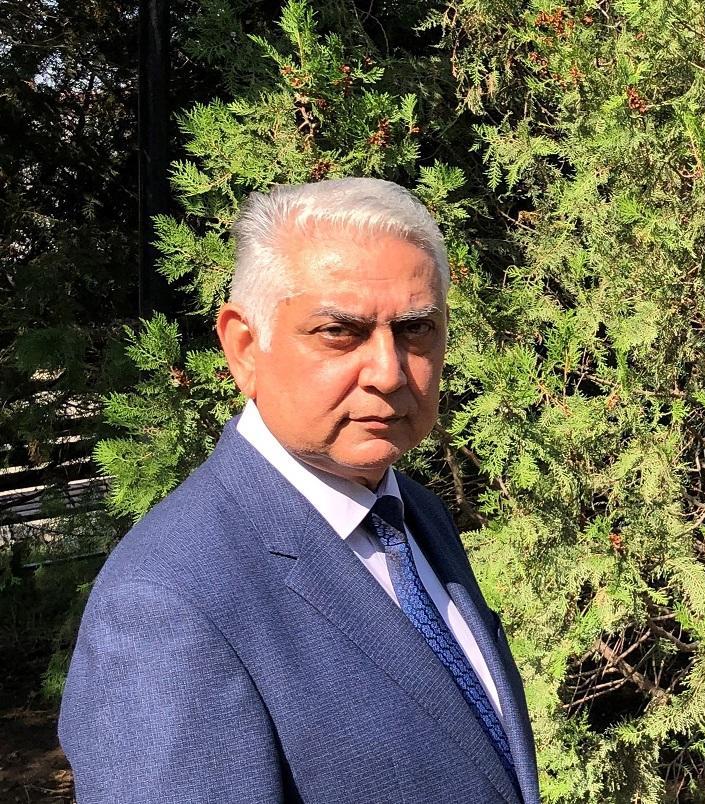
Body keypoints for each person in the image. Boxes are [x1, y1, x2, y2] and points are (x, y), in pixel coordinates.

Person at [58, 178, 540, 804]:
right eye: (339, 332)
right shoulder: (166, 604)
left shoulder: (410, 512)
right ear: (244, 347)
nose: (389, 371)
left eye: (416, 329)